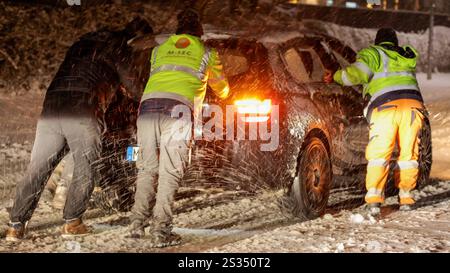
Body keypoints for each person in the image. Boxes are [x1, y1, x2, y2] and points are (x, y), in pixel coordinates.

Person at [5, 17, 153, 242]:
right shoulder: (119, 48)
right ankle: (72, 222)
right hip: (83, 109)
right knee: (87, 167)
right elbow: (133, 86)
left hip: (51, 108)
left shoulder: (81, 44)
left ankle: (16, 226)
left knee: (38, 168)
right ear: (136, 39)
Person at [127, 8, 230, 247]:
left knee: (146, 168)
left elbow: (158, 76)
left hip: (148, 108)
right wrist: (223, 93)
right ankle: (160, 231)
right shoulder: (206, 52)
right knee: (170, 171)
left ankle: (135, 225)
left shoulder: (159, 50)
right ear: (199, 32)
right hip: (178, 112)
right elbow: (222, 88)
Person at [325, 28, 426, 216]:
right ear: (394, 42)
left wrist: (336, 76)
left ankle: (374, 200)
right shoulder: (404, 56)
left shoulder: (373, 54)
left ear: (378, 41)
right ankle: (406, 197)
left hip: (386, 107)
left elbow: (354, 75)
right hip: (413, 107)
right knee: (409, 154)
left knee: (380, 153)